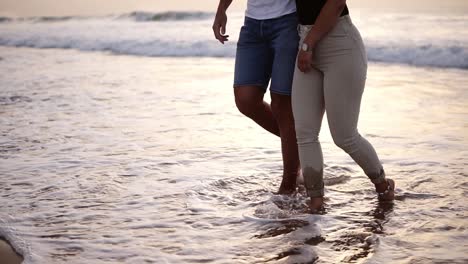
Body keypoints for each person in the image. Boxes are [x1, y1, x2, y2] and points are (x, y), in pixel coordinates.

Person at [291, 0, 395, 211]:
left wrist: (308, 44)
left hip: (339, 45)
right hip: (306, 41)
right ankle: (316, 201)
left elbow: (337, 3)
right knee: (304, 132)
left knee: (345, 136)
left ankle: (383, 185)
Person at [212, 0, 301, 194]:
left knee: (282, 105)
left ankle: (289, 184)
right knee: (246, 99)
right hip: (253, 23)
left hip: (288, 21)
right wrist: (221, 10)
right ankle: (302, 146)